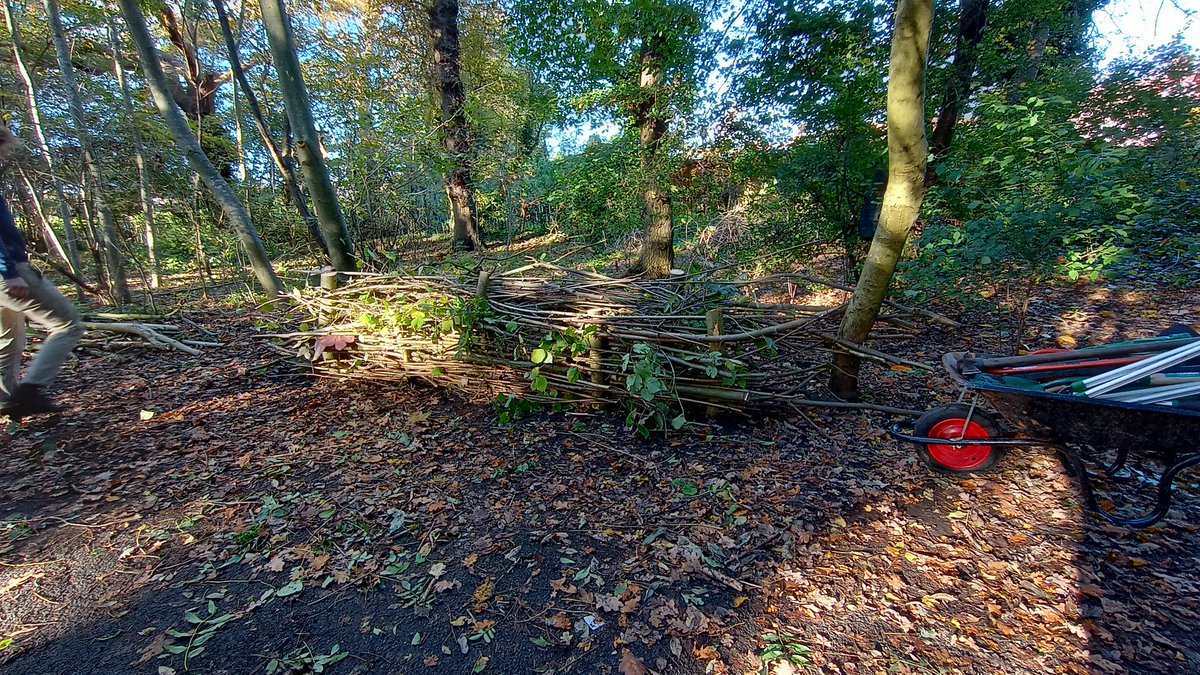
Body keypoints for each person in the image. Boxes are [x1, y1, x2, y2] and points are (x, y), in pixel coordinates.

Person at [0, 126, 85, 420]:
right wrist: (8, 271)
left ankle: (7, 399)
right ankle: (29, 393)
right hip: (7, 273)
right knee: (69, 324)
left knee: (8, 339)